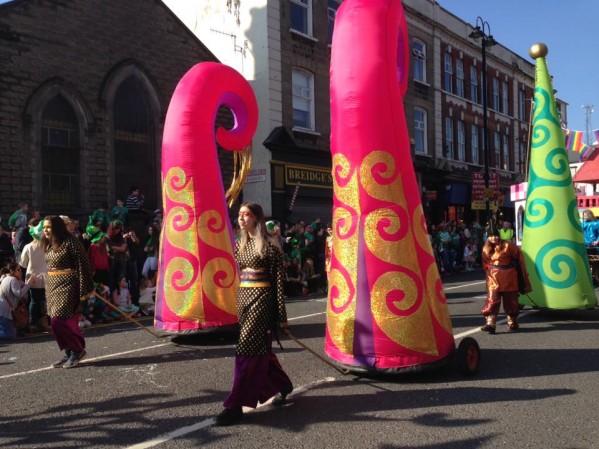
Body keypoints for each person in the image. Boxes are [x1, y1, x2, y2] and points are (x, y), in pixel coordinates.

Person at [215, 203, 292, 426]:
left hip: (263, 300)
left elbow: (278, 284)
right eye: (239, 215)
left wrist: (281, 317)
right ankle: (283, 384)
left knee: (246, 350)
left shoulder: (271, 247)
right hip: (244, 299)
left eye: (245, 214)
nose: (241, 218)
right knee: (260, 350)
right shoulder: (240, 244)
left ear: (256, 218)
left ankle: (235, 405)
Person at [41, 216, 94, 368]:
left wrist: (85, 287)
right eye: (44, 227)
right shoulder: (50, 244)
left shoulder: (72, 242)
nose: (45, 230)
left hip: (69, 285)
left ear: (57, 227)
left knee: (60, 319)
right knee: (54, 321)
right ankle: (68, 351)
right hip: (52, 286)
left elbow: (83, 264)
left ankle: (78, 350)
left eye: (49, 227)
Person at [480, 229, 531, 334]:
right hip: (493, 278)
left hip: (509, 277)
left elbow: (519, 258)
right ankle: (490, 323)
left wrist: (521, 274)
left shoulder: (508, 245)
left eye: (495, 235)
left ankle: (512, 322)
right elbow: (485, 263)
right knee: (492, 300)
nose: (494, 238)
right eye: (491, 236)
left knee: (511, 301)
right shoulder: (486, 248)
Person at [20, 220, 51, 333]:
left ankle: (33, 323)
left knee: (34, 300)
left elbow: (23, 263)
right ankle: (44, 322)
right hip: (46, 277)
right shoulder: (47, 247)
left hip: (32, 277)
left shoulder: (28, 247)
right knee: (44, 301)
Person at [0, 262, 32, 339]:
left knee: (10, 332)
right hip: (5, 313)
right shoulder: (13, 280)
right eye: (18, 269)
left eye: (20, 269)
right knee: (10, 335)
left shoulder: (6, 278)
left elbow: (22, 286)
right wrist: (29, 284)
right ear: (12, 271)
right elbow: (19, 293)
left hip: (3, 311)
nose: (20, 271)